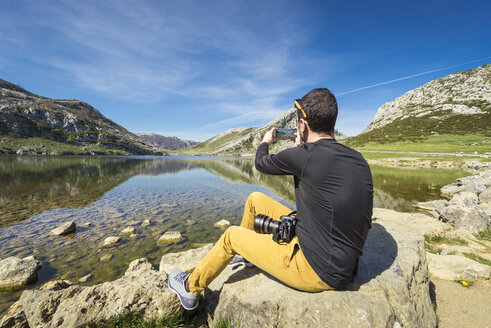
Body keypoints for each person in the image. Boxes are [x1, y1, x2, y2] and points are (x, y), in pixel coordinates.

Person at [168, 88, 373, 310]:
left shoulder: (304, 156)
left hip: (317, 269)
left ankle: (190, 288)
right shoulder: (357, 158)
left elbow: (261, 162)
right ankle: (249, 255)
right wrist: (303, 149)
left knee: (231, 236)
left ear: (303, 125)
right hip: (339, 259)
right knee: (255, 199)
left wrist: (265, 142)